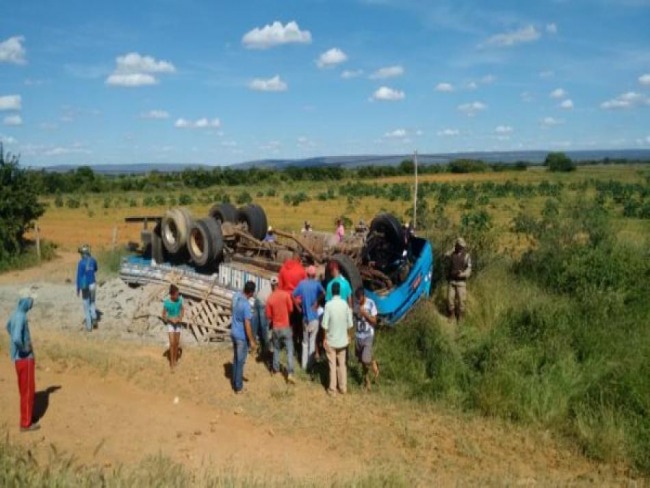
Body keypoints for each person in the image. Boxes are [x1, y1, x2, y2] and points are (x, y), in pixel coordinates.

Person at [6, 290, 39, 432]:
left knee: (23, 389)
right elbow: (16, 338)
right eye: (31, 300)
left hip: (18, 360)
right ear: (26, 301)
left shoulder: (14, 314)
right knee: (28, 390)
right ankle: (26, 423)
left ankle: (27, 415)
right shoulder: (21, 317)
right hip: (25, 359)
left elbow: (8, 327)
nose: (33, 302)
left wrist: (16, 347)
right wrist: (25, 348)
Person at [321, 282, 353, 395]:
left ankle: (332, 389)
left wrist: (324, 338)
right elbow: (350, 323)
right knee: (342, 364)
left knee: (332, 365)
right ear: (339, 291)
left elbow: (324, 325)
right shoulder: (345, 305)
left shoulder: (328, 305)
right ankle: (343, 387)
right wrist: (349, 335)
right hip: (342, 340)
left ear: (331, 292)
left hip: (331, 340)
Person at [292, 265, 325, 372]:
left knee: (304, 342)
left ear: (307, 274)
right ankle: (310, 367)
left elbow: (292, 295)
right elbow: (324, 293)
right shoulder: (317, 284)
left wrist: (298, 307)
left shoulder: (302, 284)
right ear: (314, 275)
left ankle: (303, 365)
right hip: (314, 318)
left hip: (305, 318)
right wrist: (317, 302)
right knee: (312, 341)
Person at [266, 277, 296, 383]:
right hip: (286, 326)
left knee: (277, 349)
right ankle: (290, 373)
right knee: (289, 350)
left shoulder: (270, 299)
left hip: (276, 328)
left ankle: (276, 370)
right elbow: (291, 309)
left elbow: (268, 316)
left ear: (271, 285)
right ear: (278, 284)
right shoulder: (285, 295)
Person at [231, 281, 257, 394]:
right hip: (241, 336)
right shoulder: (246, 305)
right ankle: (238, 387)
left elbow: (230, 306)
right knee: (240, 361)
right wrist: (251, 340)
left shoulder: (236, 296)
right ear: (251, 292)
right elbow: (247, 324)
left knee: (236, 359)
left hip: (233, 332)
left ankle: (235, 380)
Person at [354, 287, 379, 390]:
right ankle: (367, 381)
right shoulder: (356, 305)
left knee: (365, 359)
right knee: (362, 361)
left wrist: (365, 314)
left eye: (360, 298)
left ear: (363, 296)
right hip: (359, 336)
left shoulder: (371, 303)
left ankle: (372, 362)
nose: (359, 300)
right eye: (357, 298)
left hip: (369, 335)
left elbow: (374, 321)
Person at [445, 237, 472, 322]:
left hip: (461, 282)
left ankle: (460, 316)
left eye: (462, 246)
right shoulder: (452, 254)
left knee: (461, 300)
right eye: (459, 245)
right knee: (450, 299)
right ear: (456, 245)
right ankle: (452, 315)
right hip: (452, 281)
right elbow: (445, 255)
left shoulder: (467, 256)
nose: (461, 247)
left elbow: (469, 269)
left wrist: (463, 274)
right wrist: (452, 249)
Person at [162, 284, 184, 371]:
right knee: (171, 343)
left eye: (178, 294)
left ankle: (175, 359)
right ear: (172, 294)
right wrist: (170, 318)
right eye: (176, 294)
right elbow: (163, 315)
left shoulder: (179, 301)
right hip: (171, 324)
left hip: (178, 324)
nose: (178, 295)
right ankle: (171, 362)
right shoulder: (167, 303)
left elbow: (182, 310)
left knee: (176, 343)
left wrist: (180, 317)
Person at [76, 244, 98, 332]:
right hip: (93, 284)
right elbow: (96, 269)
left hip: (85, 285)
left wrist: (78, 289)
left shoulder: (81, 263)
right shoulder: (93, 260)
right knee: (92, 302)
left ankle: (89, 327)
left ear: (83, 254)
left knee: (86, 304)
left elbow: (78, 277)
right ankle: (94, 317)